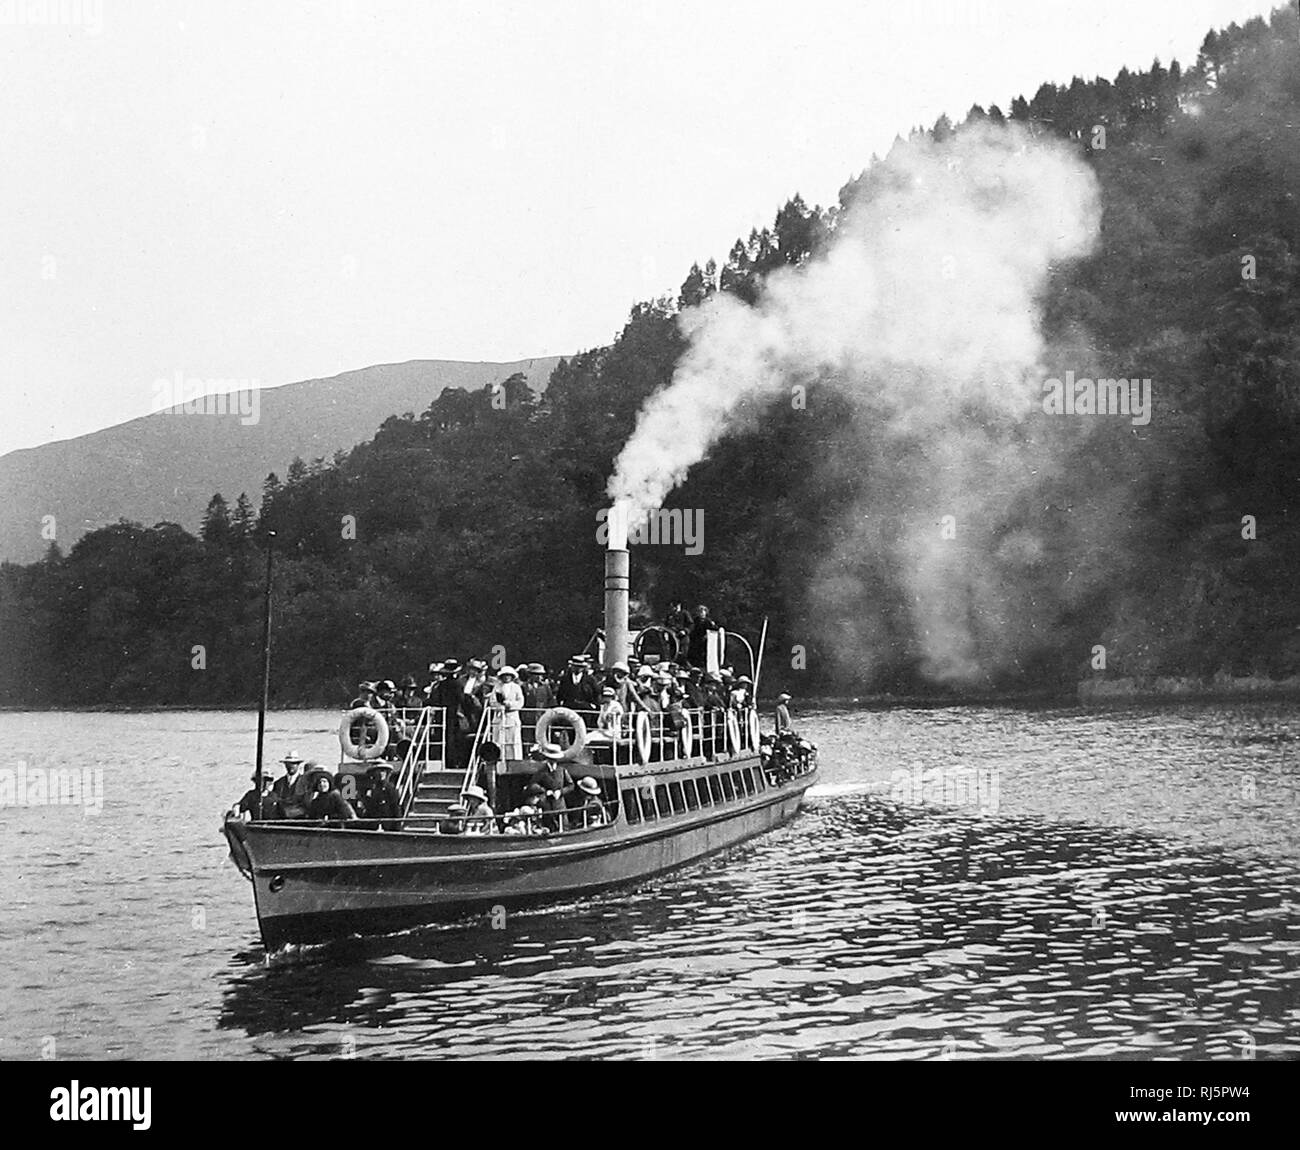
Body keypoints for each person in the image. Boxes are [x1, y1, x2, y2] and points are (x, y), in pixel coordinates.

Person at [531, 746, 575, 831]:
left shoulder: (562, 771)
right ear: (547, 758)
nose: (553, 761)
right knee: (550, 828)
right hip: (547, 806)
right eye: (551, 759)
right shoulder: (541, 772)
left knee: (565, 828)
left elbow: (571, 785)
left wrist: (561, 792)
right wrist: (546, 792)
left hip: (560, 805)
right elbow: (532, 785)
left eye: (555, 759)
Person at [490, 666, 524, 759]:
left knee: (513, 739)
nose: (506, 677)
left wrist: (510, 705)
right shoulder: (497, 687)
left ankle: (514, 759)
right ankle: (499, 758)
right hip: (500, 717)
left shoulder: (516, 687)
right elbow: (492, 701)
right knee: (498, 739)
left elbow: (520, 702)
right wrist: (499, 707)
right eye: (504, 675)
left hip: (512, 717)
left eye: (508, 676)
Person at [270, 752, 311, 819]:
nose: (291, 766)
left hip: (300, 819)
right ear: (285, 765)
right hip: (281, 819)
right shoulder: (279, 783)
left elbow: (306, 804)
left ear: (298, 765)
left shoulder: (305, 782)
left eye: (294, 763)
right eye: (288, 764)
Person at [687, 604, 721, 669]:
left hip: (705, 641)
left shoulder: (708, 621)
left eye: (703, 611)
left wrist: (709, 633)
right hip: (695, 639)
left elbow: (714, 629)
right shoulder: (695, 620)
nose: (701, 613)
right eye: (700, 611)